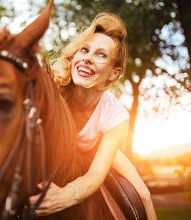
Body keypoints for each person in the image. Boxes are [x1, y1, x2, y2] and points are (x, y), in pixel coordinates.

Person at [29, 12, 157, 220]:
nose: (87, 58)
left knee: (143, 193)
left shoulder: (115, 114)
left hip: (94, 147)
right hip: (58, 149)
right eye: (84, 50)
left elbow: (96, 174)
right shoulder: (50, 89)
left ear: (114, 73)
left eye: (101, 55)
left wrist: (66, 195)